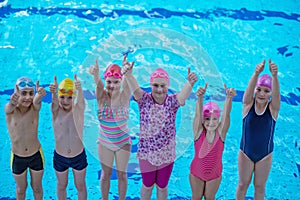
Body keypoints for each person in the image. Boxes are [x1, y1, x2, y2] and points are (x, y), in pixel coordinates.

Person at [122, 57, 198, 200]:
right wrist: (128, 74)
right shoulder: (144, 100)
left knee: (162, 187)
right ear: (151, 85)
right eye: (156, 85)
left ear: (168, 85)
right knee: (147, 185)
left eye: (163, 85)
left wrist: (190, 83)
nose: (159, 89)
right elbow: (136, 90)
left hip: (166, 156)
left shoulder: (172, 102)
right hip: (147, 154)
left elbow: (182, 98)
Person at [236, 59, 280, 200]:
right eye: (259, 89)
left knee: (260, 187)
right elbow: (247, 95)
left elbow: (277, 98)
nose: (261, 93)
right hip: (245, 153)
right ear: (254, 90)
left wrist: (275, 77)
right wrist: (256, 74)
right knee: (243, 185)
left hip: (264, 156)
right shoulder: (248, 106)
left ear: (271, 94)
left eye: (266, 91)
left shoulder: (273, 110)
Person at [89, 58, 133, 200]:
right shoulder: (101, 97)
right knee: (105, 174)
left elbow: (128, 83)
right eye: (109, 82)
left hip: (123, 142)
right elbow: (98, 83)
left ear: (120, 82)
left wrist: (127, 72)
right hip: (105, 142)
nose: (112, 85)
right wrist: (96, 75)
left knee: (122, 174)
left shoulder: (125, 96)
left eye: (116, 82)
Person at [189, 83, 236, 200]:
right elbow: (197, 115)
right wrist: (200, 98)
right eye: (207, 119)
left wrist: (229, 98)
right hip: (196, 174)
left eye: (215, 118)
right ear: (203, 120)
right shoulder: (198, 132)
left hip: (214, 175)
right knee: (196, 197)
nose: (211, 122)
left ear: (218, 119)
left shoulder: (221, 134)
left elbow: (226, 115)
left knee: (210, 197)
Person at [4, 76, 46, 200]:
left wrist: (39, 94)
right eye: (23, 93)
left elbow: (37, 101)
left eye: (30, 93)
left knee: (37, 187)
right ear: (16, 94)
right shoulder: (10, 110)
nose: (28, 97)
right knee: (21, 190)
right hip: (18, 158)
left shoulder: (34, 108)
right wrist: (13, 101)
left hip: (36, 155)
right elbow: (8, 106)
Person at [49, 75, 87, 200]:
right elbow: (54, 102)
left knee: (80, 185)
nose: (65, 100)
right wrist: (54, 93)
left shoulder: (78, 110)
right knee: (61, 185)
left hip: (78, 156)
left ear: (74, 97)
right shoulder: (56, 111)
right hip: (60, 157)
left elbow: (81, 102)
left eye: (70, 97)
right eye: (62, 97)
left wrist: (80, 90)